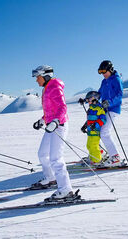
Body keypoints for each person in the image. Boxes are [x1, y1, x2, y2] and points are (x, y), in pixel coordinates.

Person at [32, 65, 73, 201]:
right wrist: (42, 120)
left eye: (38, 77)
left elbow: (62, 107)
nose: (37, 80)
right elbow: (51, 110)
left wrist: (56, 121)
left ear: (45, 76)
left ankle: (65, 190)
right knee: (43, 154)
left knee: (56, 158)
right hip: (51, 125)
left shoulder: (54, 86)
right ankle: (50, 178)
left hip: (59, 126)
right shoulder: (47, 88)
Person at [97, 60, 124, 167]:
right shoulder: (104, 81)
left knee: (104, 132)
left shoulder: (116, 79)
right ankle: (102, 153)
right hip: (104, 110)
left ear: (111, 70)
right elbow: (99, 94)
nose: (103, 74)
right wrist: (88, 98)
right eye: (101, 73)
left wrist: (109, 102)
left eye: (105, 72)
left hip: (113, 109)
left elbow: (119, 95)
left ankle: (116, 157)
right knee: (98, 130)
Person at [80, 91, 106, 166]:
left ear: (95, 99)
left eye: (89, 99)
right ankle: (92, 158)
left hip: (95, 131)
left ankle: (97, 161)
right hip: (90, 131)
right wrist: (85, 126)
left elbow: (103, 119)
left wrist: (96, 125)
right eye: (87, 100)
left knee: (94, 146)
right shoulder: (91, 109)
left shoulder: (99, 108)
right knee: (89, 145)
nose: (87, 101)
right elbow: (89, 119)